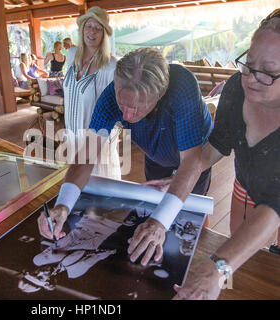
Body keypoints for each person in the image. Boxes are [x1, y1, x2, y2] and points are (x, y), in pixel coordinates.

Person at [38, 47, 213, 267]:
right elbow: (86, 156)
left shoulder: (182, 86)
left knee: (191, 215)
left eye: (136, 108)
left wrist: (160, 222)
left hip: (196, 156)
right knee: (153, 209)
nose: (127, 116)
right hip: (156, 152)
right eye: (122, 105)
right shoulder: (111, 96)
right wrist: (63, 205)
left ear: (159, 94)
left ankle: (199, 257)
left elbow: (192, 162)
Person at [173, 9, 280, 300]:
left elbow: (275, 206)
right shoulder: (235, 88)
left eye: (268, 72)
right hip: (247, 183)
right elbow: (215, 148)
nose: (251, 78)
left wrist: (216, 267)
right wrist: (178, 184)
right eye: (249, 62)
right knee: (239, 252)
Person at [63, 6, 121, 179]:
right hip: (72, 136)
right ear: (82, 29)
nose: (92, 32)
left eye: (98, 28)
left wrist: (103, 143)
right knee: (74, 187)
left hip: (95, 140)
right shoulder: (72, 54)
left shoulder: (110, 66)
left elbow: (115, 108)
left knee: (97, 188)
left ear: (104, 34)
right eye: (88, 26)